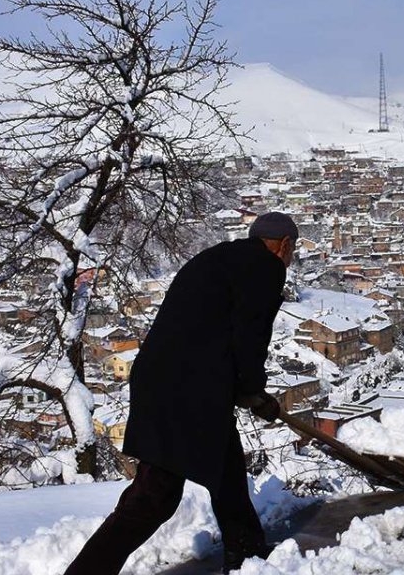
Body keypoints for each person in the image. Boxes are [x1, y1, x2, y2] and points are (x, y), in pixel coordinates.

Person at [65, 212, 299, 575]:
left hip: (167, 380)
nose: (290, 257)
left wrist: (242, 390)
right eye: (292, 250)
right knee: (155, 496)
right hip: (186, 391)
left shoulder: (221, 257)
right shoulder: (265, 267)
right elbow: (249, 336)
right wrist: (252, 389)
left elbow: (213, 328)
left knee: (227, 470)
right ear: (284, 245)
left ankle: (248, 553)